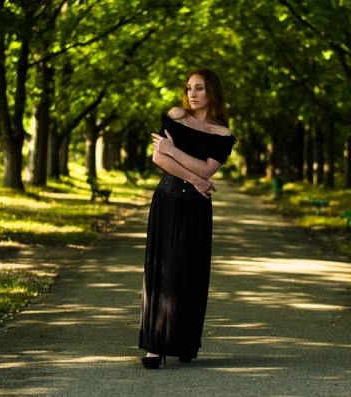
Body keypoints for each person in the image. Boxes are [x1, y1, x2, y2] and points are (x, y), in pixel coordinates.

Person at [138, 68, 237, 369]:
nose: (192, 94)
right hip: (167, 200)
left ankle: (184, 342)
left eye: (200, 88)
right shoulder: (175, 117)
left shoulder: (223, 134)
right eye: (189, 88)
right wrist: (193, 177)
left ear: (212, 93)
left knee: (190, 273)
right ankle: (155, 347)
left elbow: (207, 170)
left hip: (196, 208)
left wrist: (174, 152)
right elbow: (158, 158)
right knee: (162, 270)